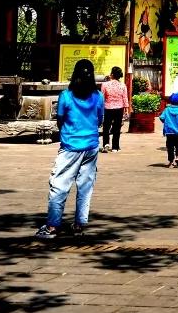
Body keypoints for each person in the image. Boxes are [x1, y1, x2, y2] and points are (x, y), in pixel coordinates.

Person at [35, 59, 104, 239]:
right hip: (91, 146)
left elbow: (60, 119)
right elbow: (100, 120)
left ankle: (52, 226)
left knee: (59, 185)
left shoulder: (66, 95)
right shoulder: (98, 96)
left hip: (70, 146)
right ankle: (79, 225)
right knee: (85, 187)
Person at [99, 67, 129, 153]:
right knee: (117, 128)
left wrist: (100, 109)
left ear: (112, 74)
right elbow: (125, 98)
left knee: (106, 127)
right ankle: (115, 147)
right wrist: (126, 109)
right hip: (119, 108)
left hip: (107, 108)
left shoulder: (105, 85)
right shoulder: (122, 85)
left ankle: (106, 144)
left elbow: (102, 97)